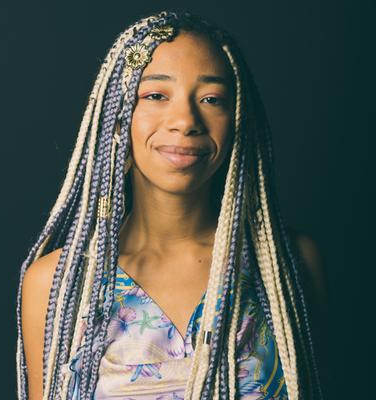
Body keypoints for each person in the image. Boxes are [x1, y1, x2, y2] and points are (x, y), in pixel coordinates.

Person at [17, 10, 325, 400]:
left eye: (211, 99)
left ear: (238, 120)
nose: (185, 120)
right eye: (156, 95)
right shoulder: (57, 283)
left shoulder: (288, 265)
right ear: (117, 118)